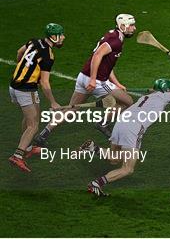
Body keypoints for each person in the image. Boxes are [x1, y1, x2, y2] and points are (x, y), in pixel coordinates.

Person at [84, 65, 170, 196]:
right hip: (133, 128)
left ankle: (93, 148)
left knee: (114, 158)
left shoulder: (145, 97)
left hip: (121, 122)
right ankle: (96, 184)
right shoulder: (164, 97)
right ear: (167, 90)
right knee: (127, 169)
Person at [35, 14, 137, 145]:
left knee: (72, 110)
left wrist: (117, 83)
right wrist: (94, 80)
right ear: (123, 26)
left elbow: (107, 64)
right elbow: (97, 56)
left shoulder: (114, 35)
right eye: (132, 25)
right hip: (98, 82)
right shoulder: (115, 41)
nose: (134, 28)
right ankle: (103, 124)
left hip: (83, 77)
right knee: (127, 101)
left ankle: (43, 134)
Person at [8, 23, 66, 172]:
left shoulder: (33, 41)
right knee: (33, 125)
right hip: (26, 90)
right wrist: (53, 102)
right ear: (53, 37)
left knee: (30, 118)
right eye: (61, 35)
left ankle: (27, 147)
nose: (63, 37)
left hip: (13, 86)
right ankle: (18, 155)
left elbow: (19, 53)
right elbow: (44, 82)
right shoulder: (48, 55)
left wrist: (23, 67)